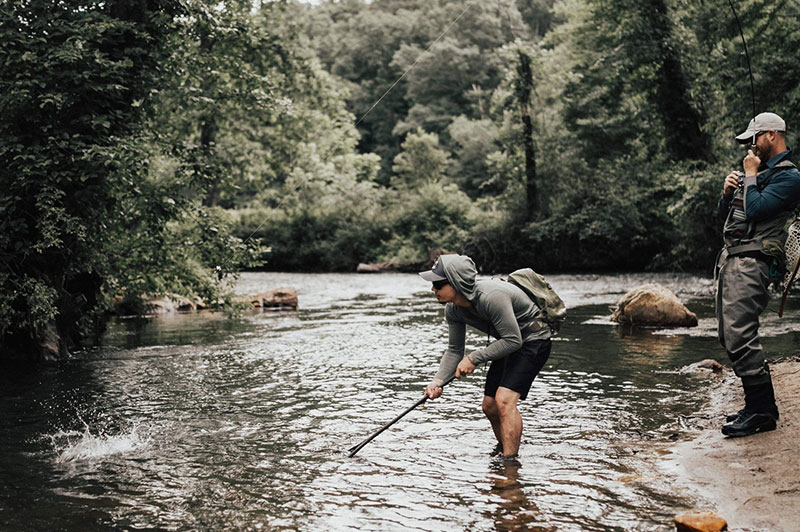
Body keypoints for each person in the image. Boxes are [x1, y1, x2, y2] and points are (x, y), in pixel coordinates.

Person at [716, 111, 800, 437]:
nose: (750, 147)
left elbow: (757, 210)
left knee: (740, 334)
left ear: (771, 136)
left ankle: (763, 412)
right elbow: (726, 220)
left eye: (754, 139)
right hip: (732, 261)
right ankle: (757, 406)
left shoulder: (790, 177)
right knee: (729, 334)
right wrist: (726, 195)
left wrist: (750, 175)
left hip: (754, 264)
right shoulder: (756, 173)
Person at [419, 254, 552, 458]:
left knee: (504, 401)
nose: (433, 290)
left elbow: (514, 340)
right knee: (489, 406)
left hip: (534, 339)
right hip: (508, 340)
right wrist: (437, 381)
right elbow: (455, 350)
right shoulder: (453, 310)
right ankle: (506, 450)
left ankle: (510, 467)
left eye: (438, 284)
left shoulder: (492, 297)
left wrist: (474, 358)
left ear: (456, 282)